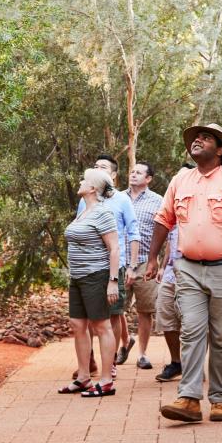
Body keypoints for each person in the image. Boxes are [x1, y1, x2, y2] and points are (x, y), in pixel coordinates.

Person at [145, 123, 222, 423]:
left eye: (206, 138)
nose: (197, 140)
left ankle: (221, 399)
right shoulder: (180, 180)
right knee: (192, 331)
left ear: (220, 149)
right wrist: (152, 259)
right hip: (189, 269)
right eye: (196, 138)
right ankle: (189, 399)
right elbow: (163, 219)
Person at [58, 168, 120, 397]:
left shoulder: (103, 213)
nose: (80, 181)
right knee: (77, 325)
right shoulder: (84, 210)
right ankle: (83, 377)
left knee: (101, 326)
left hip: (96, 275)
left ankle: (106, 381)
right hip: (78, 277)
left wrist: (112, 281)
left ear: (93, 188)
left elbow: (114, 248)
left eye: (84, 179)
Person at [77, 154, 140, 377]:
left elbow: (133, 233)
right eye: (95, 166)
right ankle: (90, 361)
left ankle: (110, 362)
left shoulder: (122, 200)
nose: (97, 169)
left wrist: (132, 266)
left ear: (113, 175)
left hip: (115, 266)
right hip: (88, 268)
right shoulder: (84, 198)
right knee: (86, 317)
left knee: (113, 315)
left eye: (102, 167)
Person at [119, 160, 163, 370]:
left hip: (146, 261)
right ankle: (124, 342)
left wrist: (160, 263)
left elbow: (166, 231)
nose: (133, 175)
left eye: (139, 173)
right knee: (116, 307)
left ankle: (142, 355)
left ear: (148, 179)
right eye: (132, 171)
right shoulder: (117, 198)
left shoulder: (158, 201)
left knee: (145, 310)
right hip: (119, 261)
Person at [153, 164, 194, 383]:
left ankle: (192, 365)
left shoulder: (197, 207)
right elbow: (170, 239)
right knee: (166, 315)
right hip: (170, 272)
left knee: (191, 321)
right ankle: (176, 362)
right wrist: (161, 265)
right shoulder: (173, 208)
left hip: (192, 272)